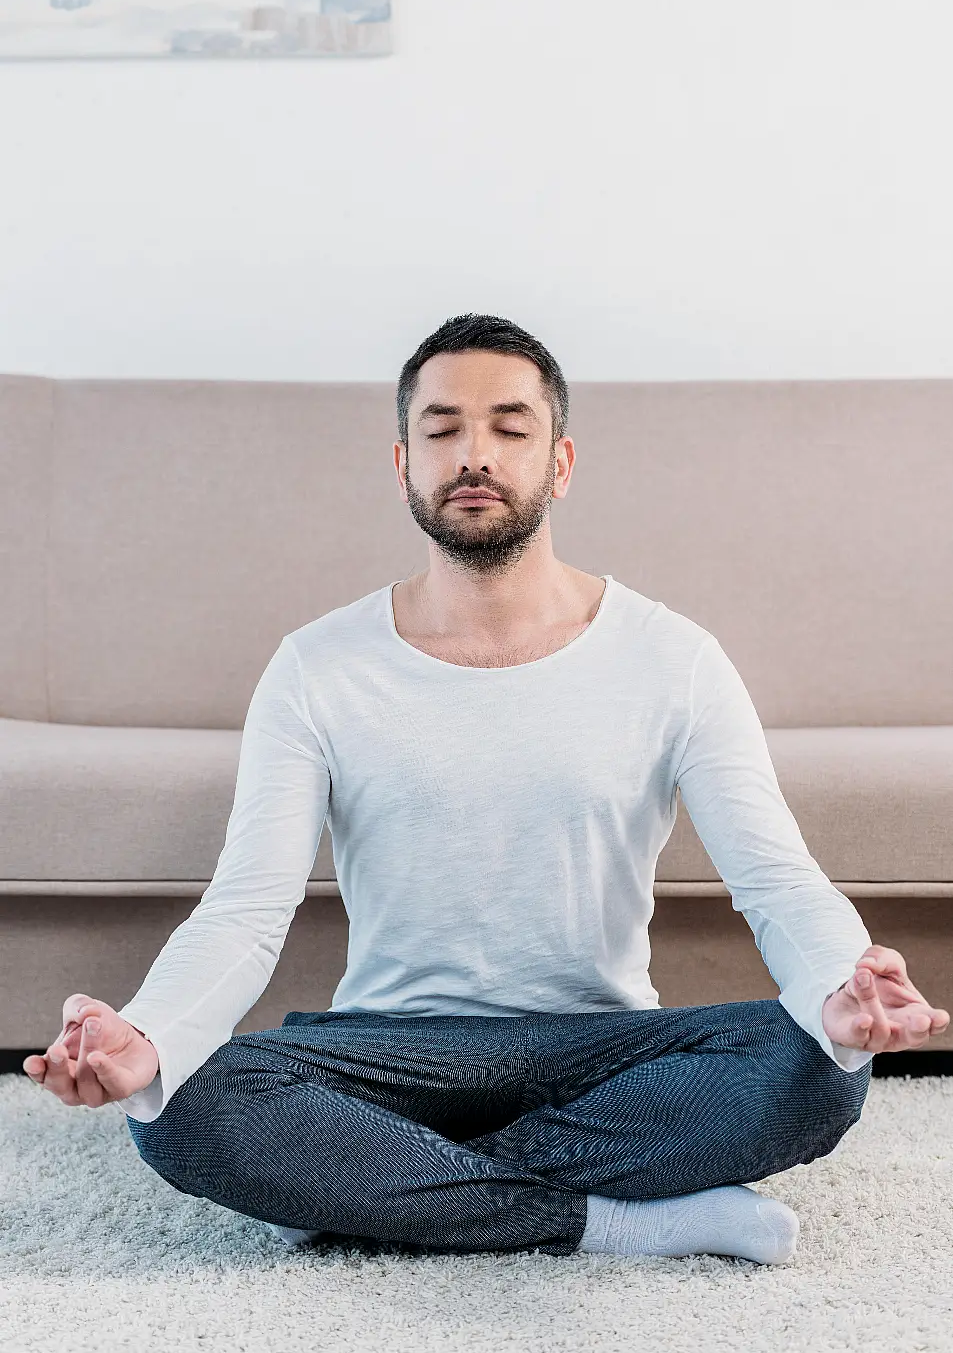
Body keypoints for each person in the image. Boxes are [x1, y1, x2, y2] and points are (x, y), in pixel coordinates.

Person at [24, 314, 949, 1265]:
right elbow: (247, 910)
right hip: (386, 1050)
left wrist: (842, 985)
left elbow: (777, 882)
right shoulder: (316, 667)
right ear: (402, 464)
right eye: (441, 430)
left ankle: (373, 1187)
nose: (474, 454)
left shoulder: (675, 659)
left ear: (560, 463)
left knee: (818, 1070)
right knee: (177, 1106)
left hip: (598, 1051)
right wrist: (146, 1032)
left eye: (510, 429)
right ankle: (613, 1221)